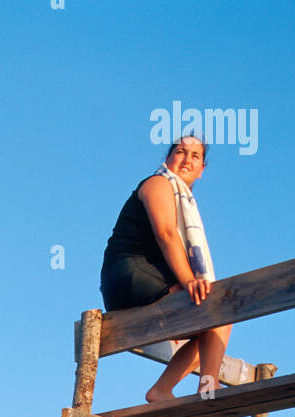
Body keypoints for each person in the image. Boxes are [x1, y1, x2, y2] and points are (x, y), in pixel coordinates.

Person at [99, 135, 231, 402]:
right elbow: (166, 233)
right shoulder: (157, 183)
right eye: (181, 151)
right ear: (168, 158)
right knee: (218, 308)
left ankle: (162, 390)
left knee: (213, 325)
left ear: (202, 169)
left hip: (139, 279)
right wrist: (189, 281)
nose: (187, 158)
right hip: (130, 272)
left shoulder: (182, 198)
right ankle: (210, 390)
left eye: (195, 155)